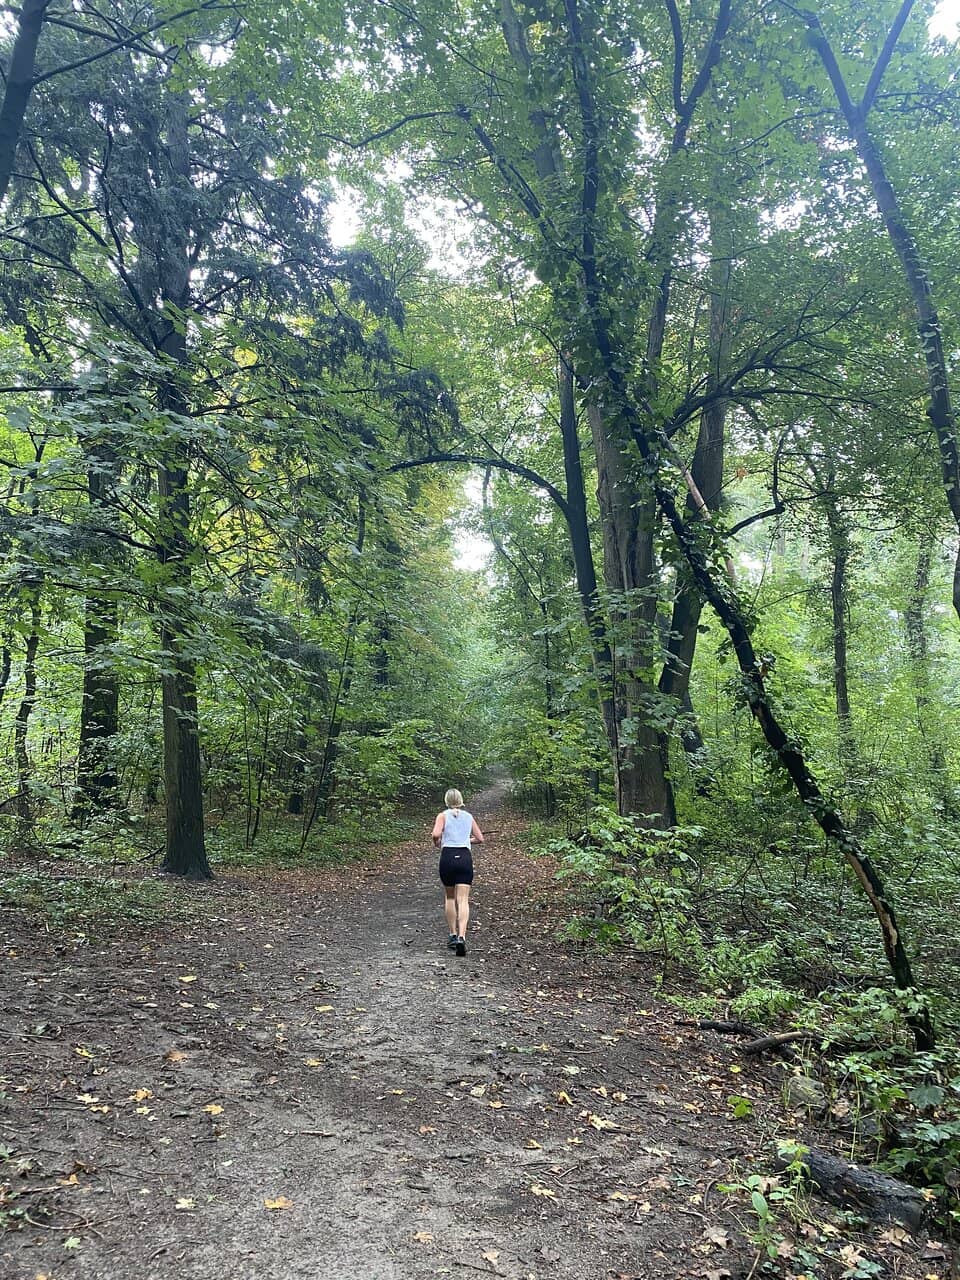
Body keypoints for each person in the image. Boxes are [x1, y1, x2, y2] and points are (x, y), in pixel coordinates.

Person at [432, 788, 484, 956]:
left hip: (447, 857)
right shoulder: (468, 817)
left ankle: (452, 934)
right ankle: (462, 936)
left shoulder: (442, 815)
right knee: (463, 899)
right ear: (461, 800)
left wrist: (438, 842)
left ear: (446, 800)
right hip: (464, 857)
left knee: (450, 897)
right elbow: (480, 838)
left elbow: (435, 834)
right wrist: (465, 839)